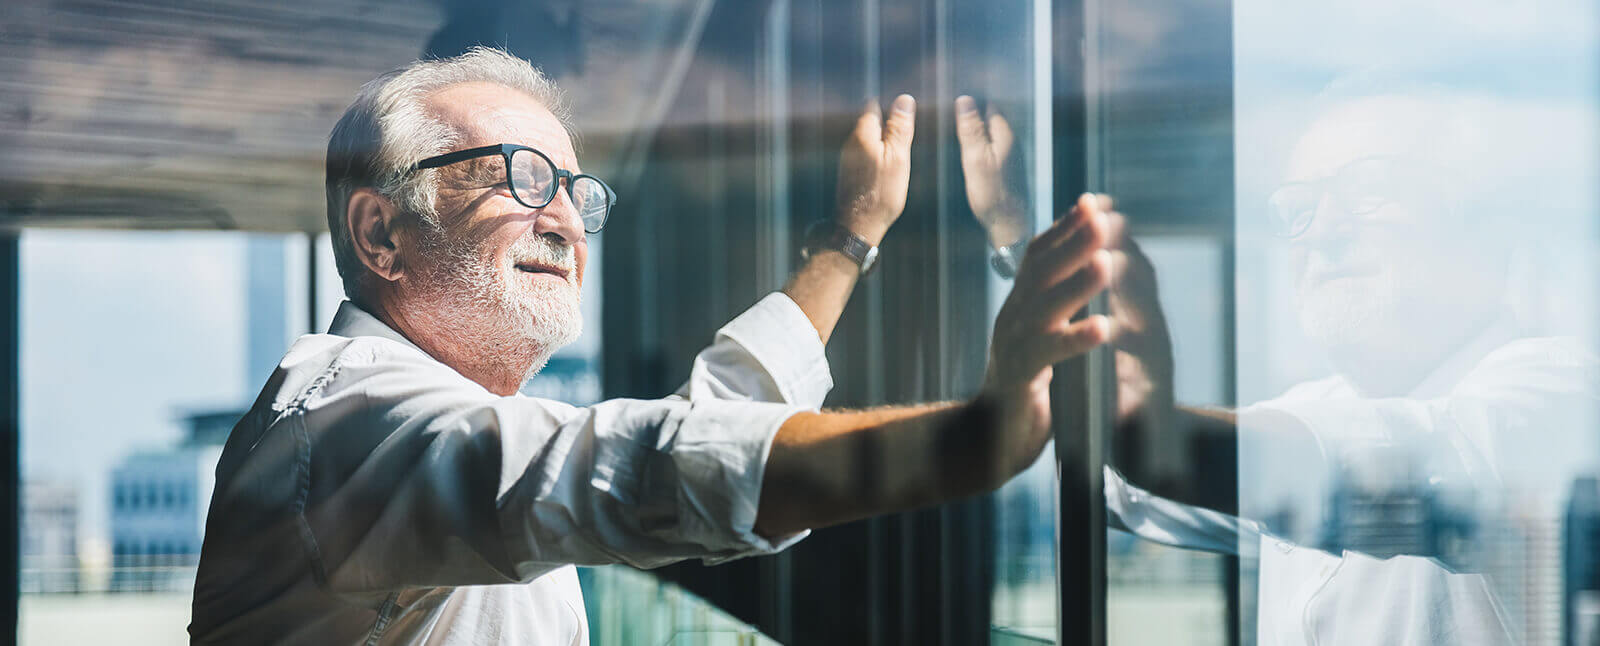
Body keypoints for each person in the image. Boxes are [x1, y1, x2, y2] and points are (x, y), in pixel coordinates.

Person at [189, 47, 1116, 645]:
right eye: (519, 176)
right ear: (381, 233)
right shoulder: (346, 423)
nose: (563, 216)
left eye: (574, 189)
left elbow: (697, 423)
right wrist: (975, 434)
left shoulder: (452, 426)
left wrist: (848, 241)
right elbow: (648, 469)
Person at [955, 77, 1599, 645]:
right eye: (1299, 210)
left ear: (1485, 223)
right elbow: (1118, 483)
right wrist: (1017, 237)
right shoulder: (1318, 407)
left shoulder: (1561, 390)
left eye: (1369, 190)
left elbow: (1380, 462)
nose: (1321, 230)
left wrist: (1155, 425)